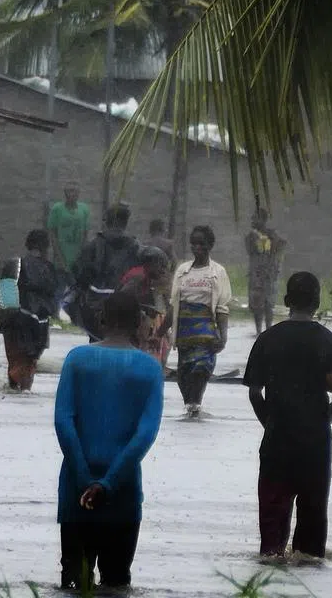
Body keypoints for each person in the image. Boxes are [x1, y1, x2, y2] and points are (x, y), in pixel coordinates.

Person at [54, 290, 164, 591]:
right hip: (123, 491)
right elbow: (145, 434)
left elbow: (64, 423)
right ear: (139, 322)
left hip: (76, 488)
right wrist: (108, 483)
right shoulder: (150, 368)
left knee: (75, 582)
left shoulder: (77, 360)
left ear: (101, 319)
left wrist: (85, 478)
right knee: (117, 583)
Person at [243, 272, 332, 560]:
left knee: (272, 529)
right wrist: (327, 416)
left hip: (277, 438)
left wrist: (271, 423)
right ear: (316, 302)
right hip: (315, 442)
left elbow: (254, 393)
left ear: (287, 301)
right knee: (312, 525)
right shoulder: (329, 341)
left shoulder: (267, 340)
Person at [169, 225, 233, 419]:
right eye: (193, 244)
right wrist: (162, 331)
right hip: (184, 332)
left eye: (201, 244)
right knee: (184, 372)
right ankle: (191, 407)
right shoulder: (182, 271)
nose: (196, 248)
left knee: (202, 367)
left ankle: (196, 405)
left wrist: (223, 336)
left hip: (206, 330)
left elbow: (222, 307)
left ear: (209, 246)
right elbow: (174, 304)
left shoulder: (218, 272)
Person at [0, 229, 58, 391]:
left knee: (15, 363)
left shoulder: (14, 264)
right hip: (39, 326)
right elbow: (53, 299)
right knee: (29, 365)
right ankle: (23, 390)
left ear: (27, 244)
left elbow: (3, 295)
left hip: (14, 323)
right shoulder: (50, 269)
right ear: (46, 247)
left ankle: (13, 387)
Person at [72, 203, 141, 340]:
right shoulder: (134, 246)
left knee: (96, 339)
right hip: (123, 303)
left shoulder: (94, 244)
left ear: (107, 221)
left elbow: (79, 273)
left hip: (95, 303)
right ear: (125, 222)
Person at [118, 246, 172, 366]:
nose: (163, 271)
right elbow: (123, 299)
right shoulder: (139, 276)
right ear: (150, 264)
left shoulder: (145, 277)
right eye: (161, 266)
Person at [245, 208, 288, 336]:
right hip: (256, 274)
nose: (252, 220)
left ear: (263, 220)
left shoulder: (272, 235)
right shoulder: (251, 237)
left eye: (255, 218)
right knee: (256, 304)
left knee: (268, 304)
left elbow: (281, 246)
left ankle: (268, 330)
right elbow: (250, 250)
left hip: (269, 274)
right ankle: (258, 331)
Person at [48, 186, 91, 308]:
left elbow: (85, 235)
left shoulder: (84, 209)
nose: (72, 194)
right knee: (59, 289)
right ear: (65, 193)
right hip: (62, 259)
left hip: (77, 260)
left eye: (75, 191)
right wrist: (59, 258)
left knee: (77, 289)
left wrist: (83, 257)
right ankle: (56, 314)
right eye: (69, 191)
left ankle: (73, 315)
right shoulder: (57, 209)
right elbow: (53, 234)